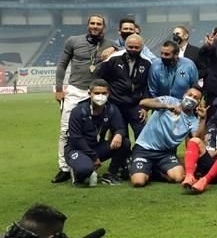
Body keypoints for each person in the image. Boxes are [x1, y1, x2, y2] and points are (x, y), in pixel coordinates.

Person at [52, 14, 112, 184]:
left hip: (97, 93)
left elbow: (127, 49)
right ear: (88, 25)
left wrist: (115, 50)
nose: (95, 26)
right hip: (75, 90)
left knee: (98, 128)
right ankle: (63, 167)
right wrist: (58, 89)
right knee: (65, 130)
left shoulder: (110, 44)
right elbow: (62, 65)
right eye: (92, 23)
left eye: (99, 24)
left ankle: (87, 159)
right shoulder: (73, 41)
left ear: (103, 27)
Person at [129, 87, 207, 187]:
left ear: (198, 102)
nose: (191, 98)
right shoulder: (169, 100)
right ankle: (135, 165)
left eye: (195, 98)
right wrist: (166, 106)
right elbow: (143, 102)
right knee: (138, 182)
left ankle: (154, 170)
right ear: (184, 95)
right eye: (190, 95)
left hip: (166, 153)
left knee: (178, 177)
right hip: (144, 148)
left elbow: (196, 139)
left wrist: (203, 119)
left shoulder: (193, 120)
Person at [64, 79, 131, 186]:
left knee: (124, 142)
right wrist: (94, 157)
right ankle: (77, 172)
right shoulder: (78, 111)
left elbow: (120, 127)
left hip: (97, 147)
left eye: (104, 93)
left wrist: (119, 134)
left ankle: (110, 174)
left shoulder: (112, 109)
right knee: (85, 169)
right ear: (90, 94)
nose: (100, 96)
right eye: (97, 93)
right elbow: (76, 138)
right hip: (78, 149)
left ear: (109, 94)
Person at [95, 34, 152, 139]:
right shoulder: (113, 58)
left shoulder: (147, 63)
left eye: (137, 47)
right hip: (116, 104)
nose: (133, 50)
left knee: (142, 135)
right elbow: (100, 78)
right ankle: (124, 155)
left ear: (142, 48)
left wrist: (145, 107)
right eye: (130, 47)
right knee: (121, 136)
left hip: (136, 105)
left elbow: (147, 86)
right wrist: (105, 101)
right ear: (125, 46)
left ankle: (139, 155)